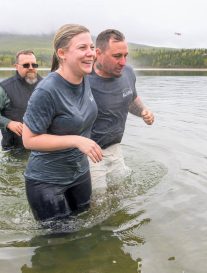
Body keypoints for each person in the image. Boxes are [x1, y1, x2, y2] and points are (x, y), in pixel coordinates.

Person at [22, 24, 102, 222]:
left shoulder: (85, 78)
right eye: (82, 48)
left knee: (85, 225)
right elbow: (29, 140)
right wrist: (76, 140)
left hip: (80, 173)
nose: (90, 53)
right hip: (46, 182)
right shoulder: (46, 91)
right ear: (62, 53)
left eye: (91, 47)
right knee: (58, 243)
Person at [88, 29, 154, 188]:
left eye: (125, 55)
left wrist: (144, 111)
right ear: (98, 53)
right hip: (89, 154)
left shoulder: (128, 72)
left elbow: (131, 98)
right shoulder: (83, 79)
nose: (123, 62)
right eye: (117, 56)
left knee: (122, 192)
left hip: (115, 149)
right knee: (99, 203)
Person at [0, 50, 42, 151]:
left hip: (42, 148)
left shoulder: (47, 85)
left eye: (34, 65)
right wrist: (8, 123)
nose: (31, 68)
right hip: (14, 150)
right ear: (16, 66)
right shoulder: (4, 88)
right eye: (26, 65)